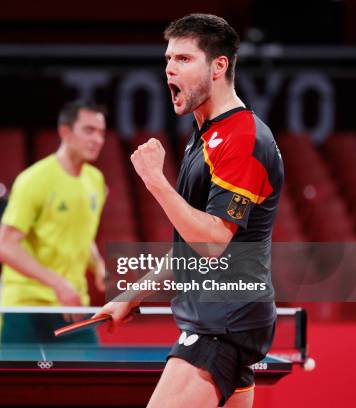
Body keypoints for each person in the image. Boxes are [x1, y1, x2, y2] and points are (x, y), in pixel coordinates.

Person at [95, 14, 284, 408]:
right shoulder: (206, 136)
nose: (169, 69)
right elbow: (190, 243)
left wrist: (155, 181)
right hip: (224, 319)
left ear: (219, 66)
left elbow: (214, 241)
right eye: (167, 59)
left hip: (222, 323)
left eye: (183, 58)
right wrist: (133, 294)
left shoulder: (242, 137)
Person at [0, 100, 107, 344]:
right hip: (26, 309)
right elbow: (4, 246)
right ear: (65, 132)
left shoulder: (96, 181)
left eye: (101, 132)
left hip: (73, 306)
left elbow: (83, 237)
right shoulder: (33, 180)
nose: (97, 139)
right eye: (89, 130)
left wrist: (97, 265)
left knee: (92, 381)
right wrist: (58, 284)